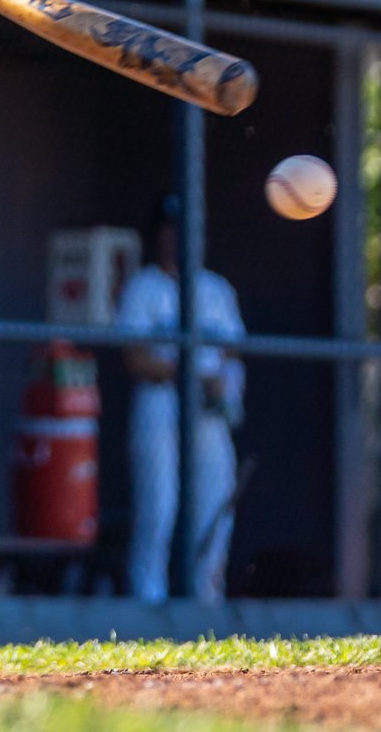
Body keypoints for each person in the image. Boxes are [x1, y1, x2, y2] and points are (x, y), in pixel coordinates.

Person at [115, 198, 246, 604]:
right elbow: (134, 358)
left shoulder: (216, 289)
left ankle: (207, 601)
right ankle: (147, 602)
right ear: (158, 236)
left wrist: (221, 387)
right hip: (160, 404)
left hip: (207, 412)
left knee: (215, 506)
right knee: (159, 507)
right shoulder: (144, 287)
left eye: (185, 230)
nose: (177, 238)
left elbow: (233, 351)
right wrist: (190, 375)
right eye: (169, 230)